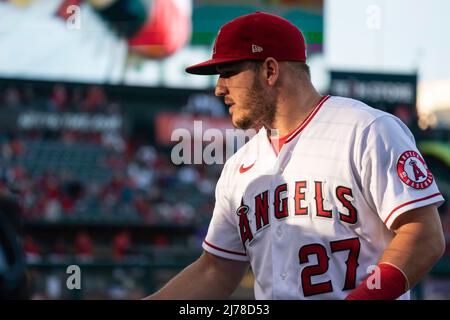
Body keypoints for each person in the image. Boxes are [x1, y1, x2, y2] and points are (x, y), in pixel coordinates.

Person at [146, 12, 445, 300]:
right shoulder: (238, 168)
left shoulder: (366, 129)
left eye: (228, 73)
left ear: (270, 71)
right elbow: (215, 270)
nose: (218, 88)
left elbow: (424, 235)